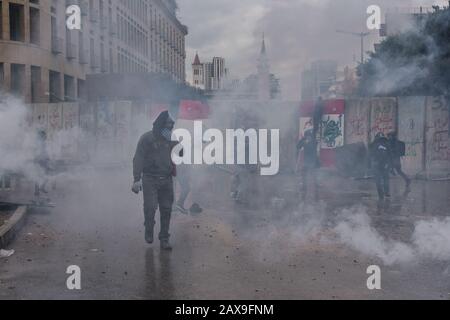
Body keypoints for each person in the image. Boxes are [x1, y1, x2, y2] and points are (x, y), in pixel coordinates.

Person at [132, 111, 179, 250]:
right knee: (150, 207)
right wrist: (136, 179)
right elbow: (138, 158)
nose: (170, 128)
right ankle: (149, 228)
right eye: (168, 125)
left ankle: (164, 238)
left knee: (166, 209)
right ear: (161, 124)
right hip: (150, 179)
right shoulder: (146, 138)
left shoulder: (171, 139)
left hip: (167, 179)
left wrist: (179, 146)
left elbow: (179, 156)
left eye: (172, 125)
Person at [296, 129, 319, 201]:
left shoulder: (313, 142)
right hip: (307, 162)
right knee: (304, 174)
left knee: (312, 175)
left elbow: (311, 146)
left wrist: (304, 140)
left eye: (309, 136)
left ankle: (314, 187)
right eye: (307, 136)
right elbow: (298, 146)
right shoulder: (307, 141)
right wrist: (303, 139)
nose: (309, 137)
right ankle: (304, 186)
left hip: (311, 161)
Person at [369, 132, 391, 200]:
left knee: (383, 180)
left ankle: (384, 193)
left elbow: (389, 155)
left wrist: (388, 164)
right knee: (381, 180)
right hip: (378, 165)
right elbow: (370, 155)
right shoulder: (373, 145)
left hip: (382, 164)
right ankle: (383, 194)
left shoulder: (386, 145)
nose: (380, 141)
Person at [34, 130, 50, 197]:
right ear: (42, 136)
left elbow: (45, 152)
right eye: (44, 135)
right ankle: (38, 190)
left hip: (43, 161)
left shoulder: (43, 143)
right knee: (39, 176)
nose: (46, 136)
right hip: (40, 161)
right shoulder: (39, 143)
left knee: (45, 175)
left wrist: (48, 157)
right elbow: (37, 153)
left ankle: (40, 188)